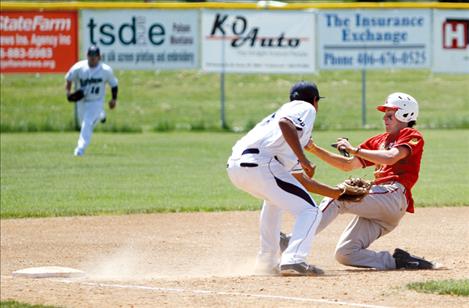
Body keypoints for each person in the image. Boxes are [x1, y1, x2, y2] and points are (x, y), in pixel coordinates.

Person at [281, 92, 433, 270]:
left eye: (390, 114)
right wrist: (314, 149)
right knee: (346, 253)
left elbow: (391, 157)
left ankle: (294, 240)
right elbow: (347, 165)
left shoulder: (410, 134)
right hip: (380, 205)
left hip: (394, 196)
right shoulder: (379, 140)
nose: (385, 118)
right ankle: (398, 261)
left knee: (338, 195)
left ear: (405, 115)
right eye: (385, 115)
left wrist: (355, 150)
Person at [227, 81, 346, 276]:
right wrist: (304, 158)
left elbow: (302, 181)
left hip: (237, 167)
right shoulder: (304, 107)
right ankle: (294, 259)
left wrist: (338, 194)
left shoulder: (279, 131)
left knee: (274, 201)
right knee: (311, 211)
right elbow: (286, 124)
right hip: (260, 163)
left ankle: (266, 261)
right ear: (315, 100)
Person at [65, 45, 118, 156]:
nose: (93, 58)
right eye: (91, 55)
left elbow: (113, 84)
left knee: (87, 123)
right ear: (87, 56)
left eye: (95, 56)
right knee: (83, 123)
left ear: (99, 57)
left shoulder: (105, 70)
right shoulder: (79, 67)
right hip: (82, 101)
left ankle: (80, 149)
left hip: (96, 101)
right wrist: (68, 93)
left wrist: (113, 99)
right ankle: (101, 115)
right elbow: (69, 79)